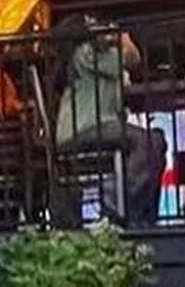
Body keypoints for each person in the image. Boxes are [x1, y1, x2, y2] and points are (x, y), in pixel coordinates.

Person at [51, 17, 165, 223]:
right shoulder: (84, 54)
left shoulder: (97, 55)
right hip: (84, 127)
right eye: (94, 24)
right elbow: (133, 57)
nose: (102, 28)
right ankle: (119, 206)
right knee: (147, 141)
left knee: (156, 139)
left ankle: (139, 212)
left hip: (99, 125)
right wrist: (124, 37)